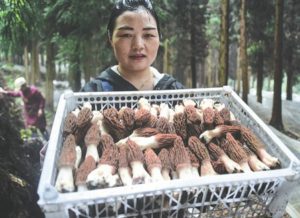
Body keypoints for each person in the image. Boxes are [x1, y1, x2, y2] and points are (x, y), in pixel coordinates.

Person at [81, 0, 184, 92]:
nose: (138, 45)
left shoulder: (175, 92)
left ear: (159, 37)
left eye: (148, 35)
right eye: (126, 35)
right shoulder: (94, 94)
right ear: (110, 38)